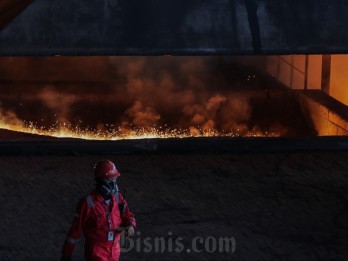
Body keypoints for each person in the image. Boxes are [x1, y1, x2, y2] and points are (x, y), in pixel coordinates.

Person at [61, 159, 136, 261]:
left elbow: (127, 215)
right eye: (110, 181)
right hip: (96, 253)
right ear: (100, 181)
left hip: (114, 251)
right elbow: (75, 231)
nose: (113, 185)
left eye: (114, 180)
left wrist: (130, 225)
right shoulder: (88, 203)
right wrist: (66, 255)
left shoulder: (118, 198)